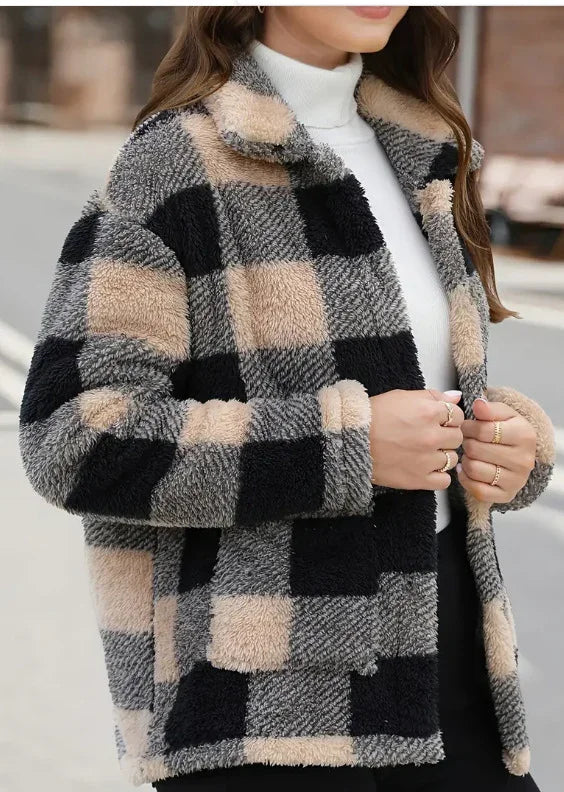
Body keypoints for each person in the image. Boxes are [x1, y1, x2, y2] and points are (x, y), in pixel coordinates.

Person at [18, 6, 555, 792]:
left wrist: (504, 448)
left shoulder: (426, 150)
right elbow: (74, 439)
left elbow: (423, 385)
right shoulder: (173, 163)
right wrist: (348, 446)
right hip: (262, 706)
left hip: (447, 653)